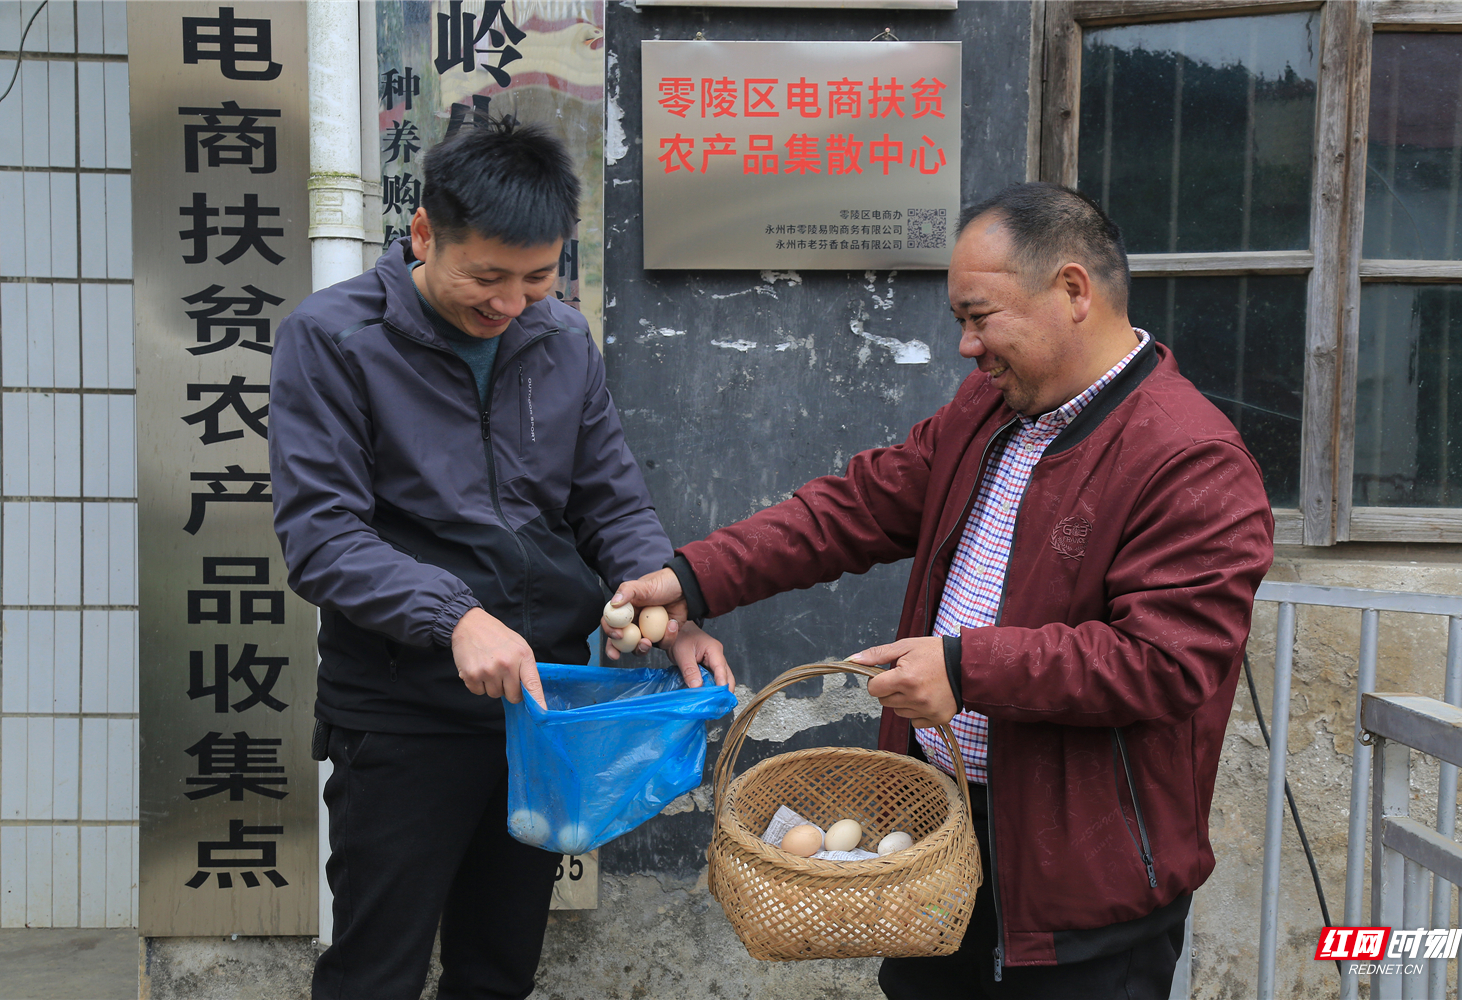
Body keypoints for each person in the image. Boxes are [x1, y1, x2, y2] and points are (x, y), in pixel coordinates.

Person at [607, 183, 1274, 999]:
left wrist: (966, 670)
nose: (965, 346)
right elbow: (854, 507)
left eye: (979, 316)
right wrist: (691, 578)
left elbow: (1165, 662)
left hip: (1083, 877)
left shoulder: (1189, 458)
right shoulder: (990, 409)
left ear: (1072, 291)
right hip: (941, 834)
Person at [269, 119, 727, 1000]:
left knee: (500, 963)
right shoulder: (332, 340)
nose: (512, 303)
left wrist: (667, 610)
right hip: (403, 710)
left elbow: (610, 500)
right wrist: (455, 617)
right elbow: (323, 536)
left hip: (542, 703)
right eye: (487, 277)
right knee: (376, 965)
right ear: (423, 235)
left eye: (538, 276)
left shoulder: (559, 341)